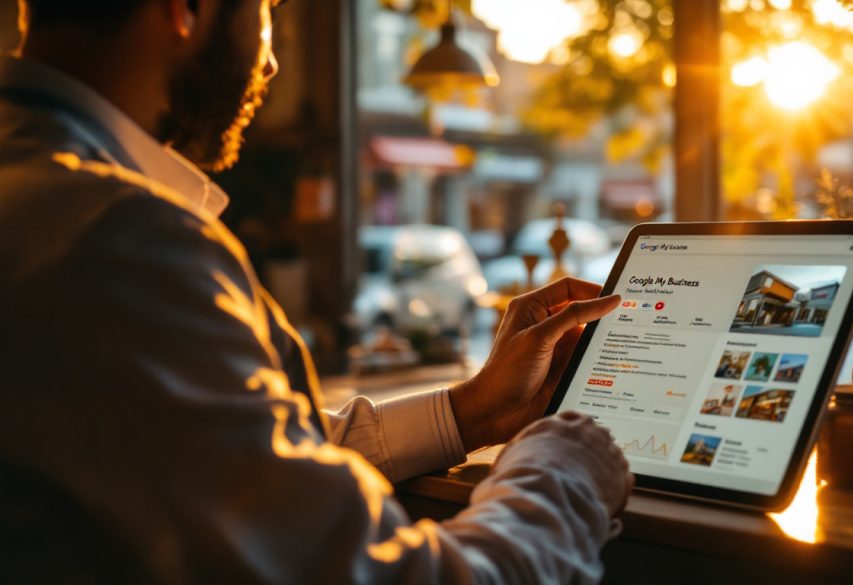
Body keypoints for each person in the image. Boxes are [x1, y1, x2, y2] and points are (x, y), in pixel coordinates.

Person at [0, 0, 633, 583]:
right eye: (266, 9)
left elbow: (249, 460)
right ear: (185, 8)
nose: (270, 60)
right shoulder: (115, 241)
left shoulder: (41, 195)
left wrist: (473, 412)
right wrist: (563, 468)